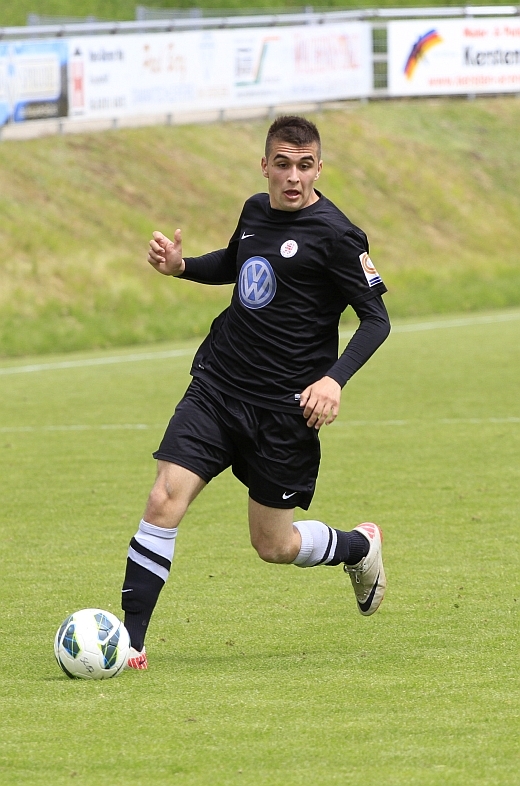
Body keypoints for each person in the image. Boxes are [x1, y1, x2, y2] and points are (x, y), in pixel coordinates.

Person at [122, 115, 391, 670]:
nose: (293, 176)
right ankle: (131, 644)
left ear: (319, 168)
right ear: (264, 165)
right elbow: (237, 262)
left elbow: (376, 320)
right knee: (163, 498)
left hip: (284, 412)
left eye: (305, 165)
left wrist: (333, 380)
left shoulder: (338, 235)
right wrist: (181, 267)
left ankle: (359, 546)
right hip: (218, 387)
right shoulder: (253, 211)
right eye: (283, 164)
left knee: (274, 545)